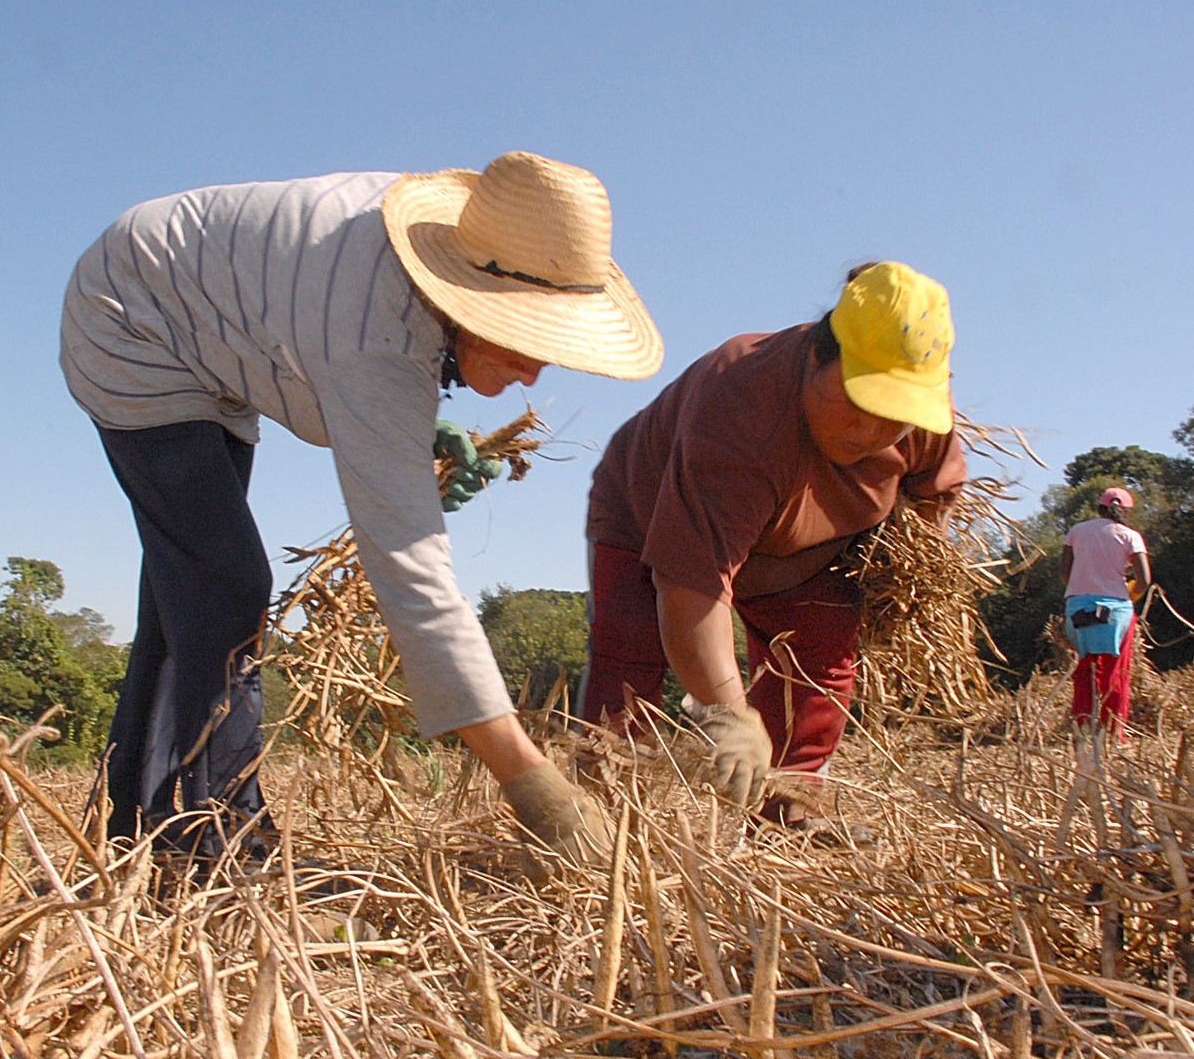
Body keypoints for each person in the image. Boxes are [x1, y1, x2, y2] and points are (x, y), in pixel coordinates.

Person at [60, 151, 663, 865]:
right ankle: (226, 847)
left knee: (186, 598)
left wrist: (414, 430)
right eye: (528, 338)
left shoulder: (439, 264)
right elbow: (411, 572)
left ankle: (141, 831)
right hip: (133, 319)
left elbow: (347, 359)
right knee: (223, 585)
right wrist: (533, 784)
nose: (537, 369)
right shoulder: (372, 331)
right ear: (468, 295)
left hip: (204, 316)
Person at [577, 262, 968, 829]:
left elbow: (932, 498)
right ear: (817, 356)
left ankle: (792, 812)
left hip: (808, 549)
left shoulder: (926, 419)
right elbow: (692, 586)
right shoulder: (741, 405)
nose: (870, 433)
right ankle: (596, 814)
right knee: (628, 661)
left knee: (818, 668)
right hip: (646, 520)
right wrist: (727, 713)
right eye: (858, 402)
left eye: (895, 418)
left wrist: (899, 577)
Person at [1060, 486, 1151, 745]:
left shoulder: (1077, 531)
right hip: (1116, 611)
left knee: (1084, 671)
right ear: (1126, 511)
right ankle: (1114, 733)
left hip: (1078, 608)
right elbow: (1144, 580)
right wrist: (1130, 594)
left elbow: (1064, 572)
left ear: (1100, 508)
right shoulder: (1130, 536)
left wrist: (1081, 588)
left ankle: (1083, 731)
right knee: (1116, 673)